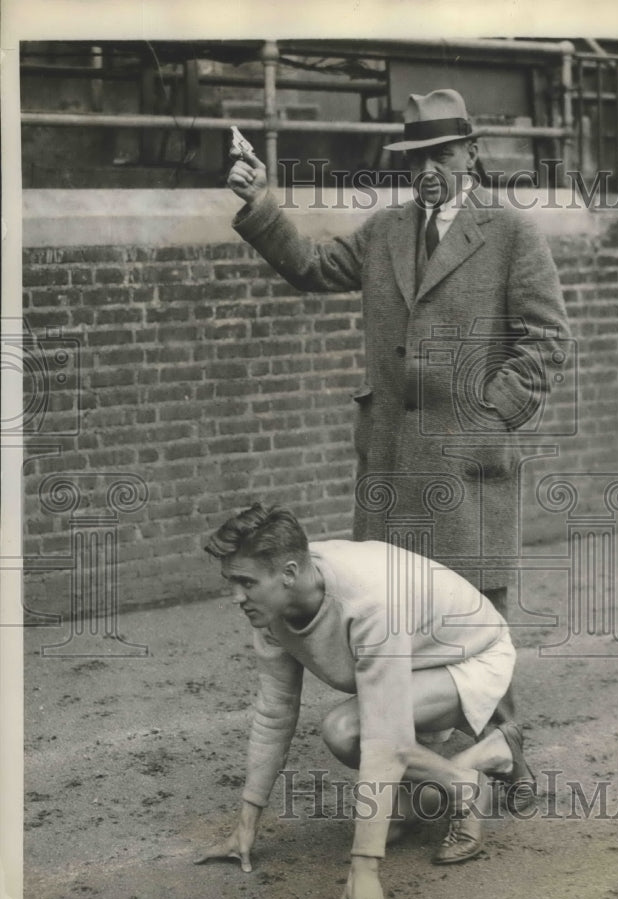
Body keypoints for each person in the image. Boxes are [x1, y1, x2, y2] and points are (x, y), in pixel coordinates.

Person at [227, 88, 569, 756]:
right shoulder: (385, 231)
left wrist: (485, 420)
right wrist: (258, 201)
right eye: (415, 157)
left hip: (465, 470)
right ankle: (423, 775)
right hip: (389, 464)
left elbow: (546, 342)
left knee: (475, 623)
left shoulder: (510, 234)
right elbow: (311, 267)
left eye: (441, 153)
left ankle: (502, 755)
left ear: (471, 152)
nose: (428, 170)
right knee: (396, 622)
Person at [194, 501, 535, 899]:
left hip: (473, 656)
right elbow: (275, 711)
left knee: (348, 730)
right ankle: (483, 762)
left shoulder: (369, 601)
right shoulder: (270, 608)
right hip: (418, 660)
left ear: (290, 573)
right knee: (356, 737)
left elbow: (385, 741)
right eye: (231, 582)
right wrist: (245, 826)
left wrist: (365, 868)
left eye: (244, 583)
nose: (235, 597)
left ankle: (467, 784)